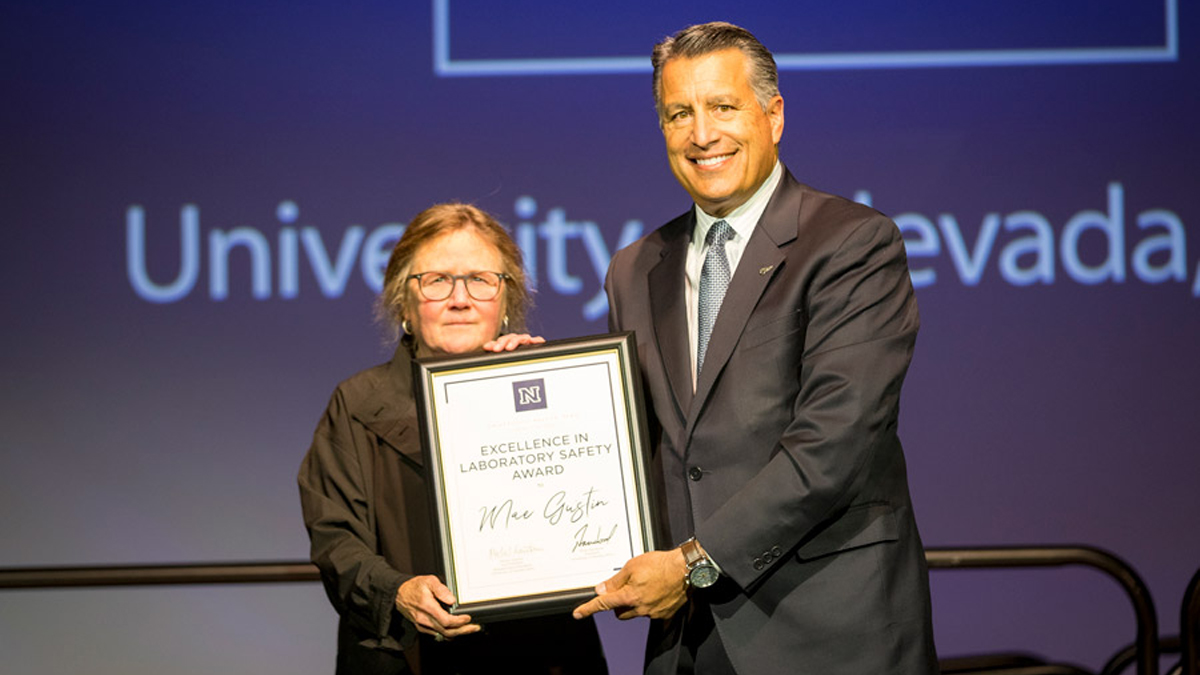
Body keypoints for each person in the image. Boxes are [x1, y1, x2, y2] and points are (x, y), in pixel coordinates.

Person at [572, 22, 938, 674]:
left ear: (774, 116)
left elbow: (835, 443)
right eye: (678, 113)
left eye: (722, 107)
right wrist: (517, 387)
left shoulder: (850, 242)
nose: (701, 134)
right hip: (689, 642)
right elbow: (627, 444)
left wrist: (692, 562)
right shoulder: (635, 267)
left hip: (828, 631)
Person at [299, 203, 608, 674]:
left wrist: (550, 395)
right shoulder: (358, 404)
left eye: (481, 280)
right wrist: (397, 592)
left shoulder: (556, 389)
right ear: (404, 301)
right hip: (403, 657)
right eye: (437, 280)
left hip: (543, 656)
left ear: (507, 301)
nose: (460, 299)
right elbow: (336, 543)